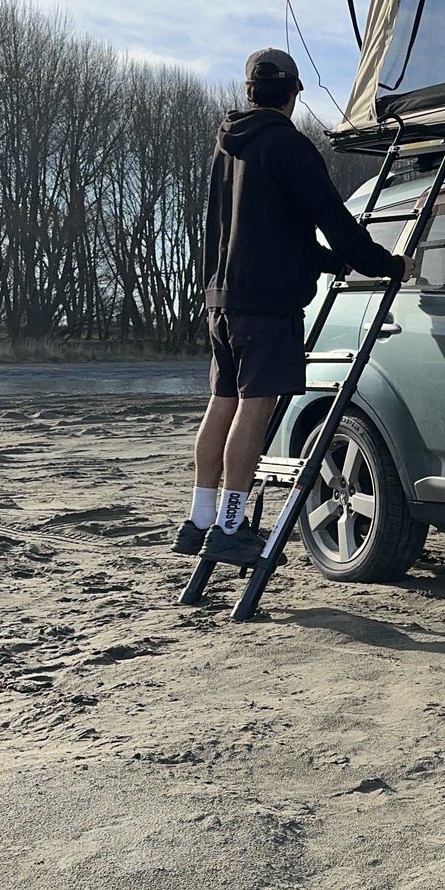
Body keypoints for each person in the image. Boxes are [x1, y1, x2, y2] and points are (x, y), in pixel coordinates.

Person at [173, 48, 412, 566]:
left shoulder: (227, 146)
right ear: (294, 94)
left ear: (249, 91)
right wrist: (387, 264)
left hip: (221, 301)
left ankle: (199, 520)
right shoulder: (287, 145)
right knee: (255, 406)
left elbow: (267, 233)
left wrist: (327, 265)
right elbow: (334, 220)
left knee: (223, 403)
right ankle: (231, 527)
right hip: (265, 307)